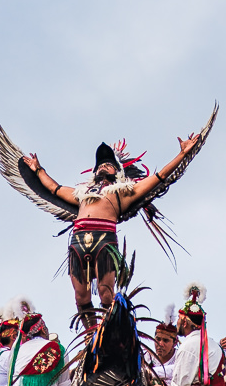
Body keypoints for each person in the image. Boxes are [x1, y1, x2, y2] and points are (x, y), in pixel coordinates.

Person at [22, 134, 201, 326]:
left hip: (104, 240)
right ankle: (91, 336)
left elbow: (160, 176)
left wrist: (182, 154)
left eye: (107, 164)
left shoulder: (125, 192)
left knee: (106, 294)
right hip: (78, 242)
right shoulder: (82, 194)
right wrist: (38, 169)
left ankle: (111, 331)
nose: (102, 167)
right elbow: (54, 188)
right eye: (99, 165)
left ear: (117, 171)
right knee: (81, 298)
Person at [146, 305, 178, 386]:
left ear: (175, 343)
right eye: (158, 339)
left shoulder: (180, 356)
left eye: (165, 341)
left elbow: (177, 370)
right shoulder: (146, 356)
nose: (160, 344)